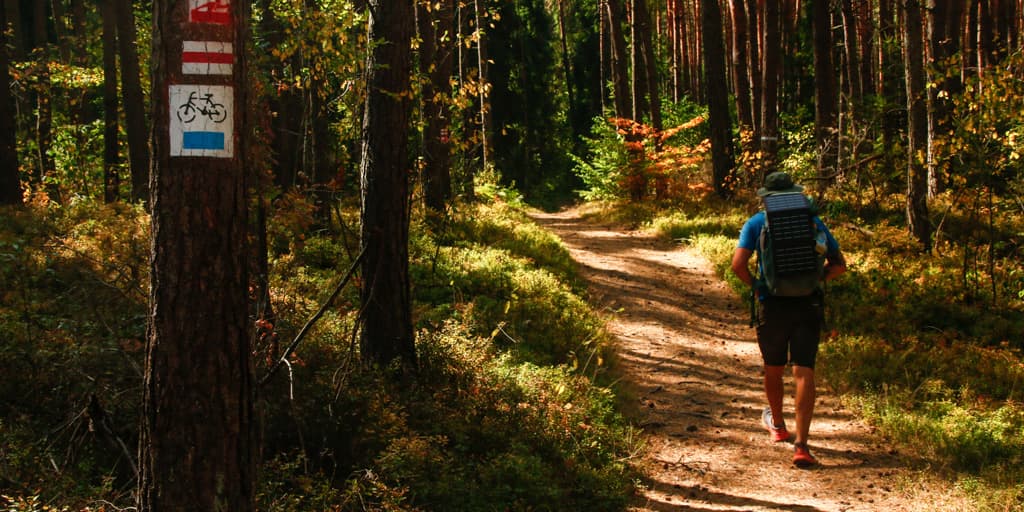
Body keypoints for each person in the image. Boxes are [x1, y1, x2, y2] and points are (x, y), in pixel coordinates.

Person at [730, 171, 847, 468]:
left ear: (766, 196)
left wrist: (758, 286)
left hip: (773, 305)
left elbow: (738, 265)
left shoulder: (757, 222)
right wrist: (816, 280)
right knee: (804, 371)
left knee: (773, 368)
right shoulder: (812, 220)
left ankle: (779, 426)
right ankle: (802, 446)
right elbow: (839, 266)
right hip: (808, 304)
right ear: (795, 194)